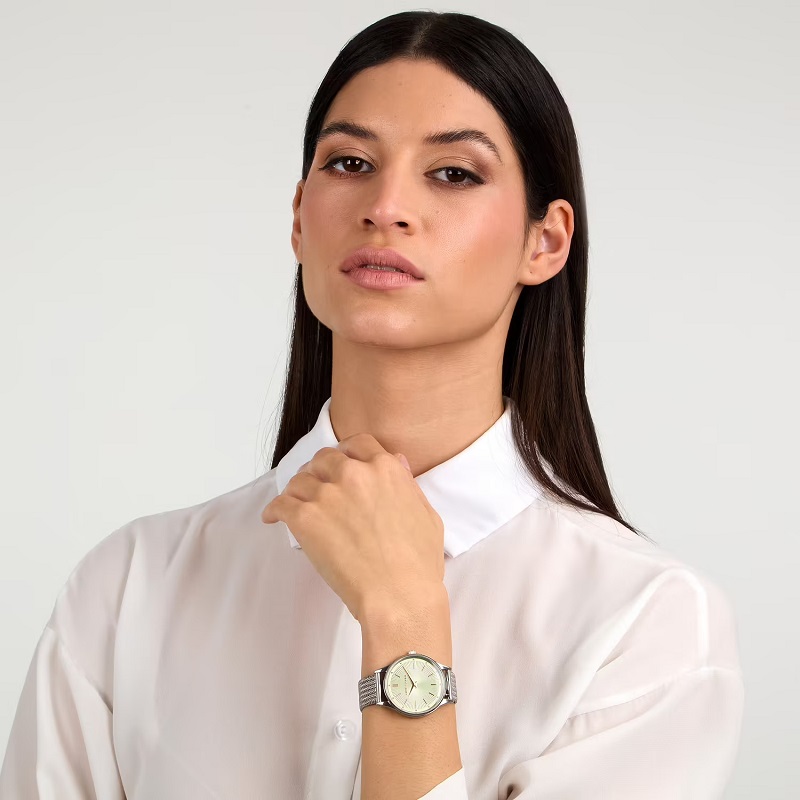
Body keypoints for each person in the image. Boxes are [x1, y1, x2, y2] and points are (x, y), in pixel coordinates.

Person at [0, 10, 744, 799]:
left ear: (546, 242)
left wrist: (405, 620)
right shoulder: (129, 586)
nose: (386, 206)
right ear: (299, 217)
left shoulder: (646, 623)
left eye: (453, 173)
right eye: (351, 162)